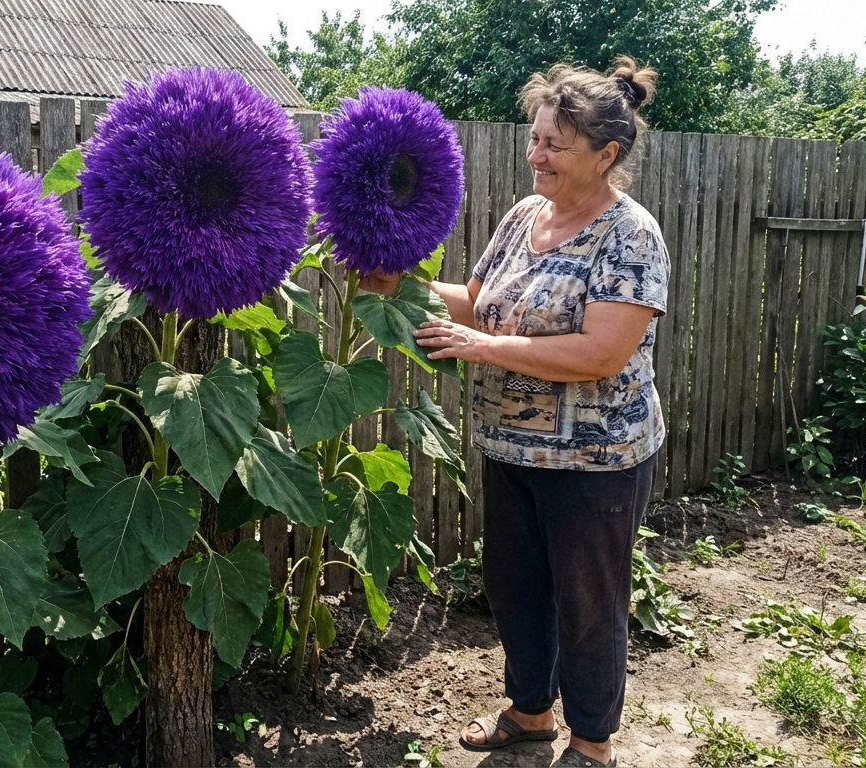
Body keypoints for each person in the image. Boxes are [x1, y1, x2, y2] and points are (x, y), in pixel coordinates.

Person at [364, 56, 669, 768]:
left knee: (589, 604)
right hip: (510, 447)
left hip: (596, 460)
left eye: (555, 145)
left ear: (606, 155)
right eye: (534, 138)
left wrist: (485, 347)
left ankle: (591, 743)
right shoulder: (524, 217)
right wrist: (400, 285)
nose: (536, 155)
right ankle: (530, 714)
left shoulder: (630, 235)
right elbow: (477, 303)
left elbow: (601, 352)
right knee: (517, 590)